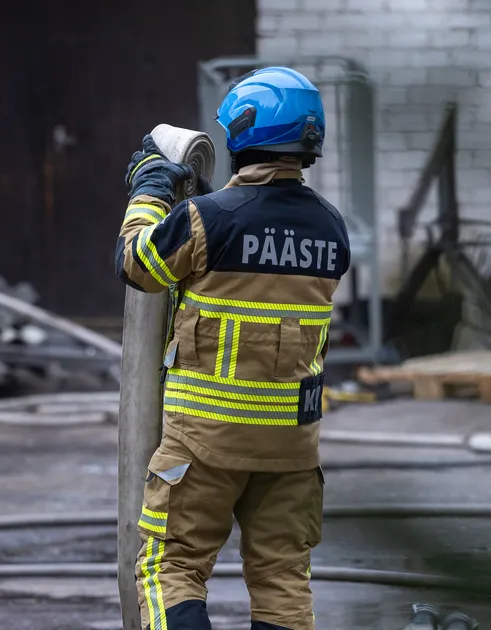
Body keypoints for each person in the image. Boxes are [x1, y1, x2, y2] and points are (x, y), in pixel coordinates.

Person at [114, 67, 351, 630]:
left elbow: (137, 264)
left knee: (172, 567)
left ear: (242, 133)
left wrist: (149, 187)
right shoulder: (332, 228)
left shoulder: (207, 218)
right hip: (292, 448)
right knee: (282, 576)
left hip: (205, 441)